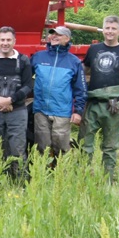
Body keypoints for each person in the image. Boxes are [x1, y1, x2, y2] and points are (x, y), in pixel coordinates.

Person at [78, 15, 119, 181]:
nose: (110, 31)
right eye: (107, 28)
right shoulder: (94, 50)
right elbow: (82, 74)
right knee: (84, 144)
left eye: (113, 28)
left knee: (110, 146)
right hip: (92, 104)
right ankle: (81, 179)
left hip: (114, 105)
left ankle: (109, 180)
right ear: (103, 29)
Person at [0, 26, 33, 177]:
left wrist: (11, 100)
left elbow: (28, 85)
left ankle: (21, 182)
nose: (5, 43)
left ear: (14, 41)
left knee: (18, 149)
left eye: (8, 40)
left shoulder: (23, 61)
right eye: (2, 40)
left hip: (17, 112)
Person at [30, 26, 87, 157]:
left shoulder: (74, 62)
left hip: (62, 111)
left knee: (61, 147)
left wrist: (78, 111)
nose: (54, 36)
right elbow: (24, 78)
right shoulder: (38, 57)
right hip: (40, 110)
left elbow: (81, 89)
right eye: (52, 34)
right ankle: (43, 173)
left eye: (59, 34)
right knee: (42, 147)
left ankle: (62, 174)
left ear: (67, 38)